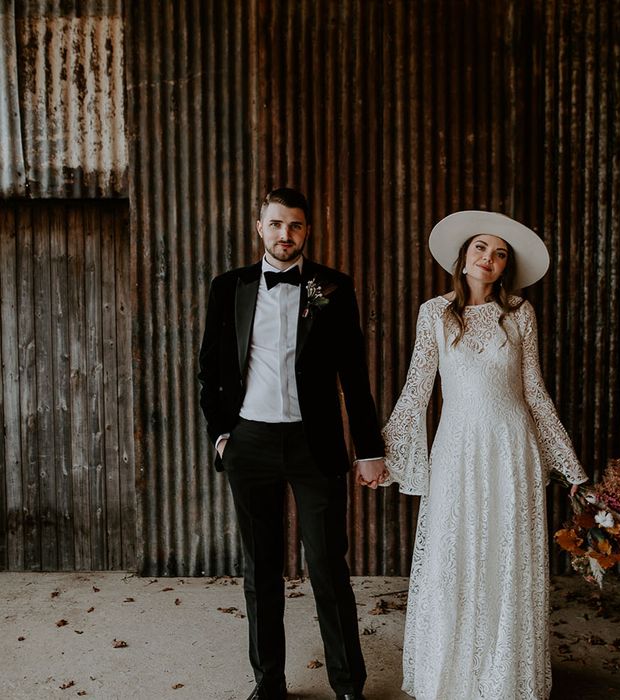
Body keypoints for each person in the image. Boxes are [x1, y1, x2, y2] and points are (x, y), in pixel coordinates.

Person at [380, 211, 588, 699]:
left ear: (505, 266)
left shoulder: (520, 313)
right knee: (455, 555)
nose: (488, 259)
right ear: (463, 255)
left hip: (513, 450)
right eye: (480, 248)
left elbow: (535, 393)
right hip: (456, 449)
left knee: (505, 558)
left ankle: (503, 679)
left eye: (499, 254)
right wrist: (384, 455)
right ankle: (452, 677)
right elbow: (416, 389)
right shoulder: (435, 312)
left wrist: (571, 466)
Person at [198, 187, 386, 700]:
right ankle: (270, 686)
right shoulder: (228, 288)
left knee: (328, 568)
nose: (286, 234)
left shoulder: (334, 287)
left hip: (314, 444)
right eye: (277, 224)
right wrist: (222, 436)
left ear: (307, 231)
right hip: (250, 443)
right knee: (261, 571)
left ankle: (349, 686)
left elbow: (354, 374)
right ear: (260, 227)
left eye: (296, 225)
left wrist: (369, 449)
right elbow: (209, 369)